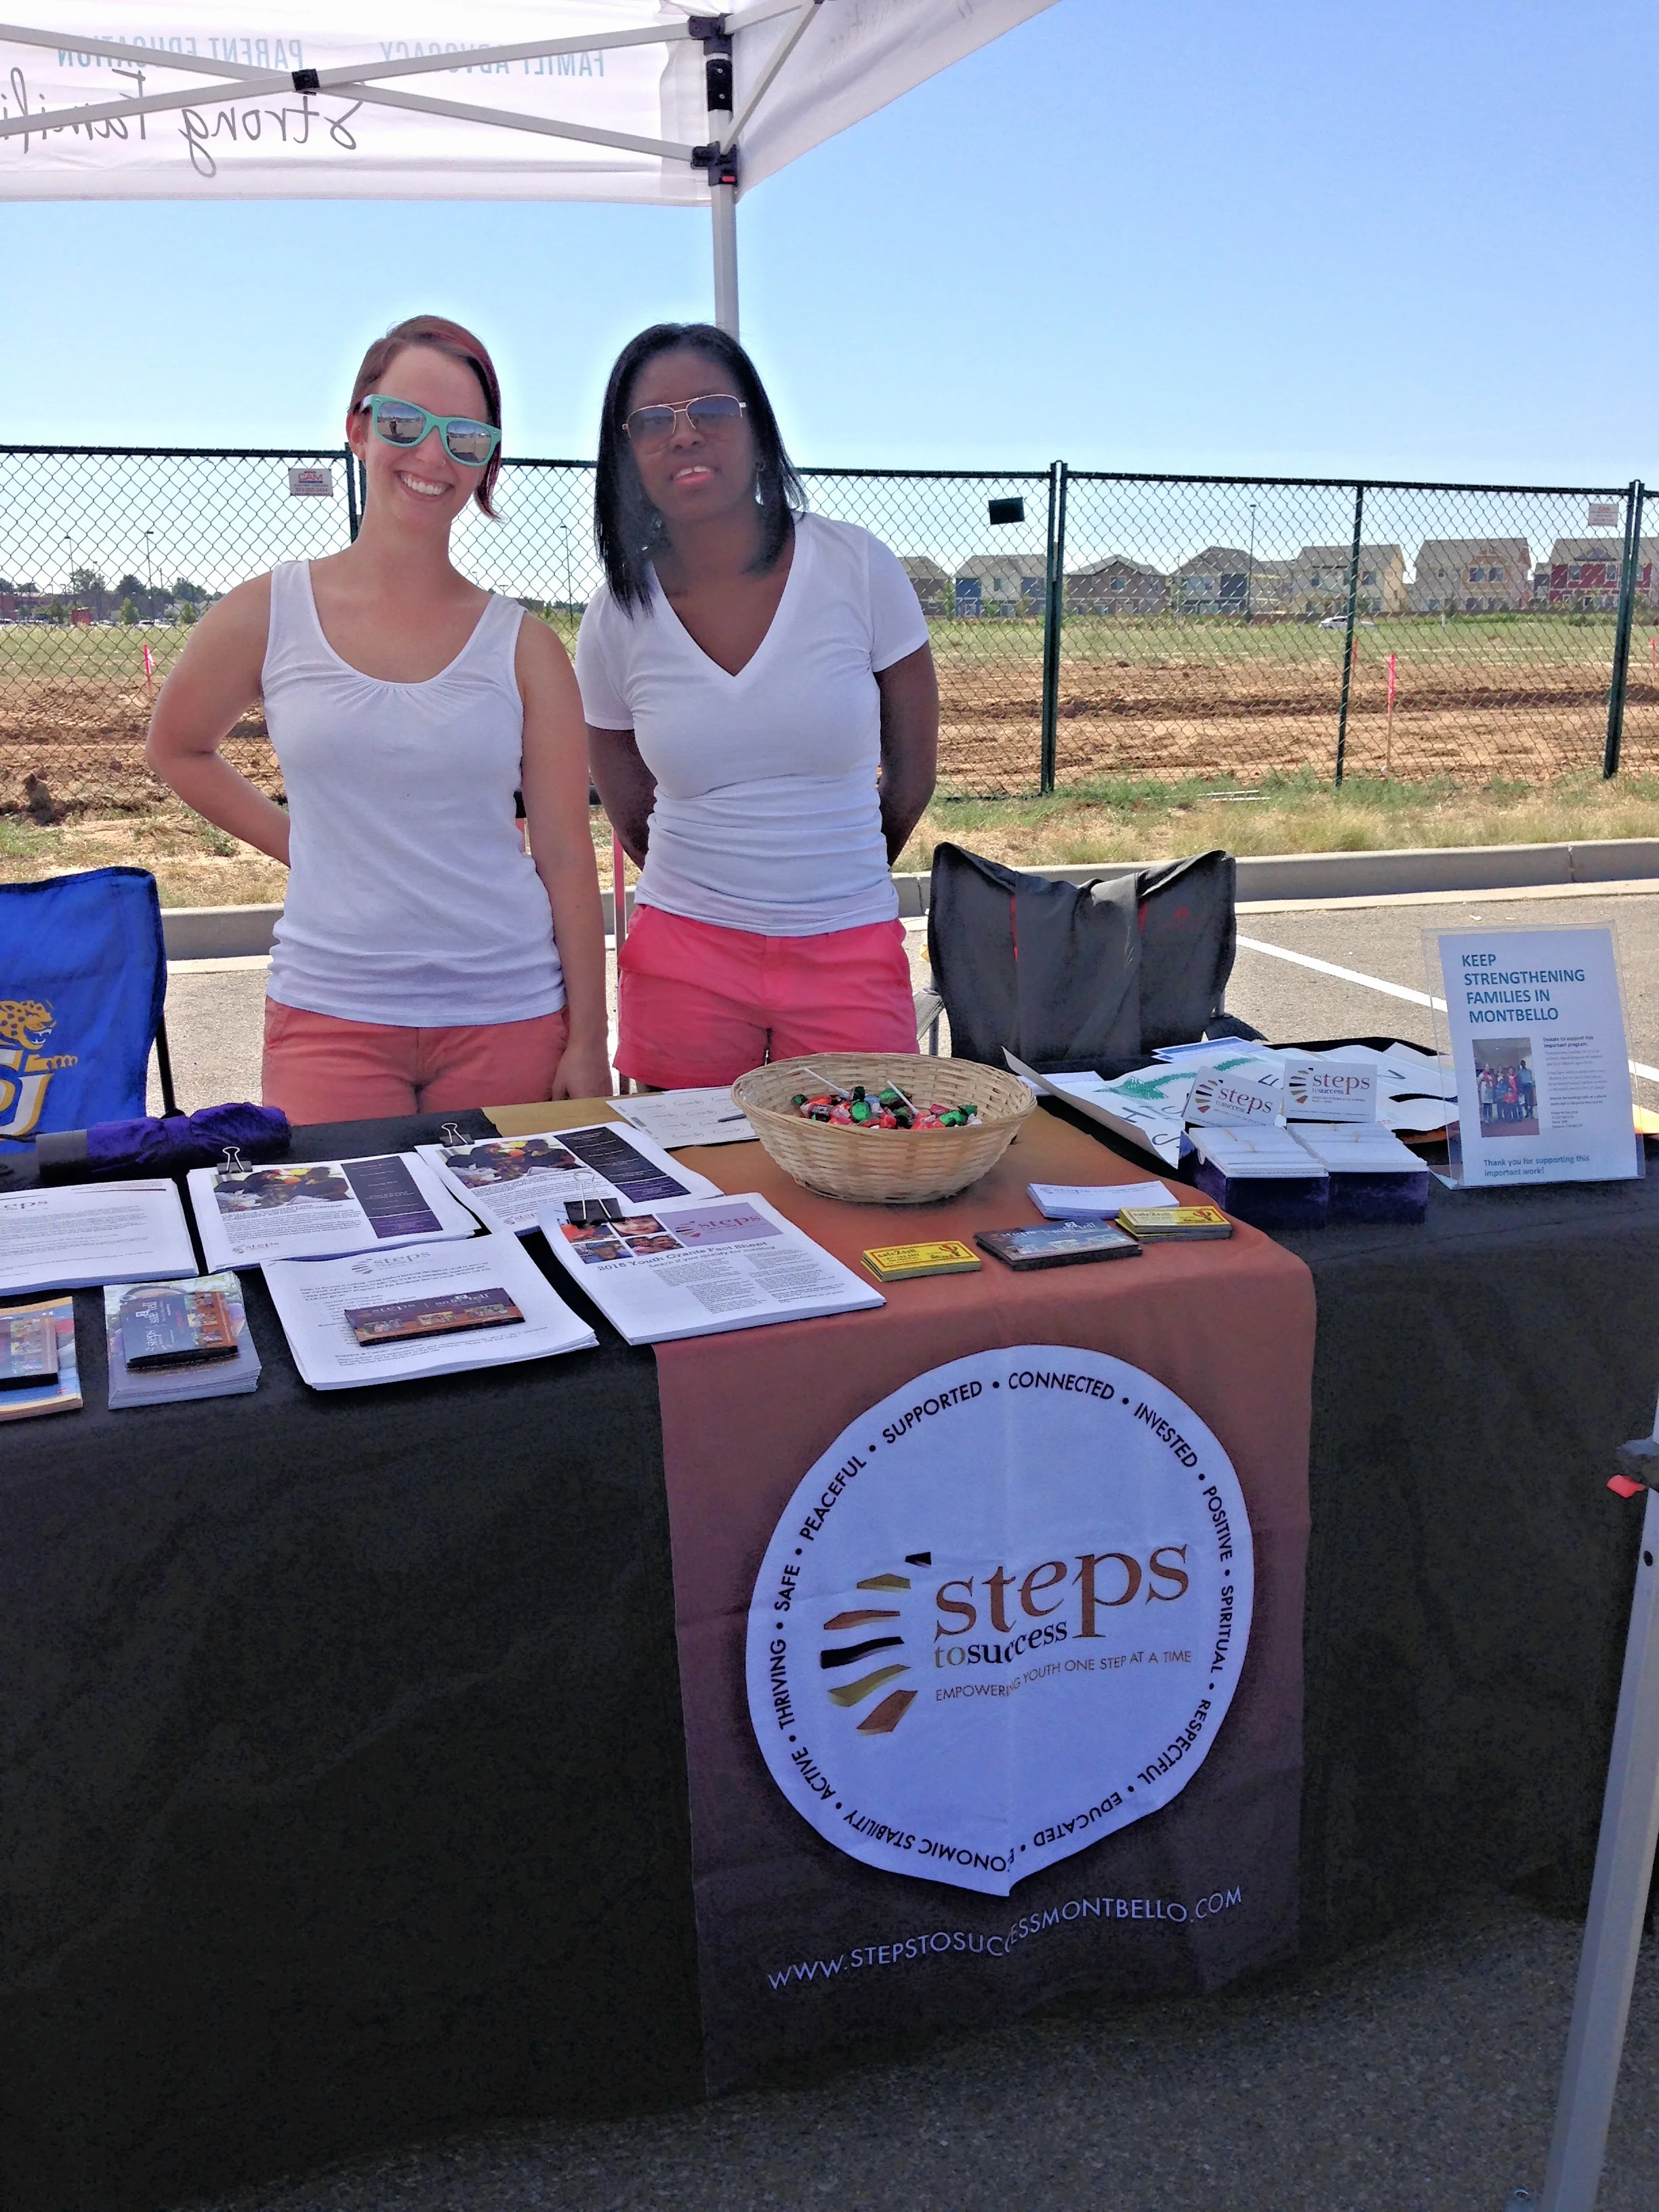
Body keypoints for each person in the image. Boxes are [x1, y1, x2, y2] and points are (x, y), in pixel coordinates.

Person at [146, 313, 609, 1123]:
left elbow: (568, 858)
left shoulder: (527, 647)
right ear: (358, 429)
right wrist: (305, 846)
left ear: (487, 461)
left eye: (465, 437)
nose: (432, 455)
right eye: (404, 423)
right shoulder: (269, 612)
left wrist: (589, 1038)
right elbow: (177, 748)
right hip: (331, 1013)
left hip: (509, 1012)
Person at [577, 321, 938, 1090]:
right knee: (688, 1166)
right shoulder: (616, 615)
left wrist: (830, 875)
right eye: (652, 421)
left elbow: (912, 775)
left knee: (863, 1158)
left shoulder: (856, 566)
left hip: (849, 945)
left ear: (758, 428)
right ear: (626, 454)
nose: (684, 435)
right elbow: (625, 796)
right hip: (683, 958)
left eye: (712, 409)